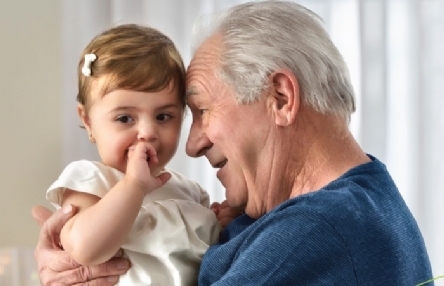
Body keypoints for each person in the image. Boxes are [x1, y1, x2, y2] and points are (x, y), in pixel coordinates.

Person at [33, 1, 435, 285]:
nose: (190, 145)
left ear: (280, 98)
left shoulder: (316, 230)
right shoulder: (359, 197)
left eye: (201, 110)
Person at [41, 23, 228, 286]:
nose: (148, 132)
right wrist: (134, 187)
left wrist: (223, 226)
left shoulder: (191, 193)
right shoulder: (90, 180)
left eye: (164, 116)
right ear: (89, 121)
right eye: (125, 118)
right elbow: (84, 248)